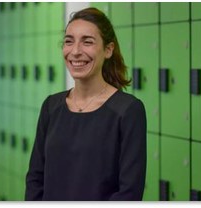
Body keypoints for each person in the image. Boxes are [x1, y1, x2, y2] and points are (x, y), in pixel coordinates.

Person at [25, 7, 146, 201]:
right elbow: (35, 179)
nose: (75, 51)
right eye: (68, 41)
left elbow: (129, 193)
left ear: (108, 49)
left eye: (87, 42)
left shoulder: (128, 110)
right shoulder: (51, 106)